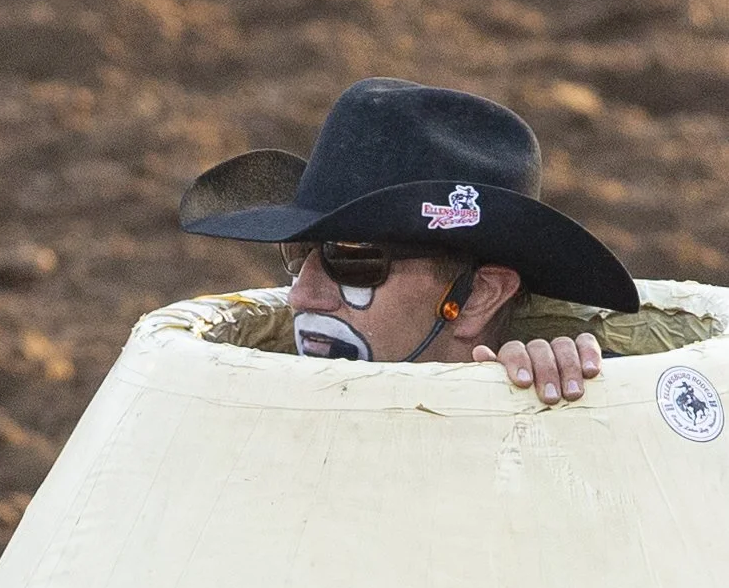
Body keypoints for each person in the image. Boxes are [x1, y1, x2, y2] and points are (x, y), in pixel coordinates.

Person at [178, 77, 639, 403]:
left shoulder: (566, 404)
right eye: (299, 253)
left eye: (353, 260)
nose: (302, 294)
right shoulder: (240, 406)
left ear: (480, 295)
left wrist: (582, 400)